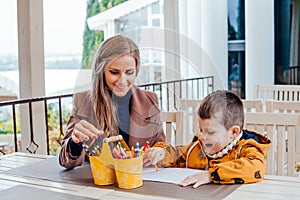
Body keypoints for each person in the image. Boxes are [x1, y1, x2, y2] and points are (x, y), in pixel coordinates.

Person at [59, 35, 165, 169]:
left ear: (136, 70)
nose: (122, 80)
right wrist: (75, 142)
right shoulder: (83, 101)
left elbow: (160, 145)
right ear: (101, 70)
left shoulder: (150, 100)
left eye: (129, 72)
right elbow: (65, 162)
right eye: (114, 72)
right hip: (98, 182)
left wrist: (159, 152)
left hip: (139, 180)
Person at [143, 90, 271, 188]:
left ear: (233, 132)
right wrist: (161, 153)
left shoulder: (246, 149)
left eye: (210, 132)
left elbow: (255, 167)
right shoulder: (197, 148)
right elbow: (178, 155)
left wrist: (211, 174)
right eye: (201, 130)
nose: (202, 137)